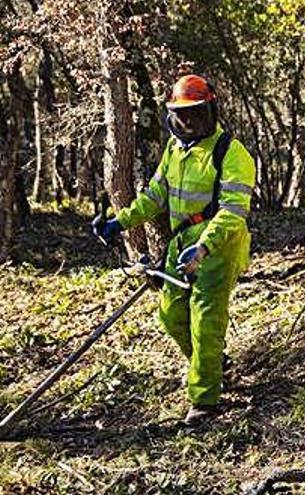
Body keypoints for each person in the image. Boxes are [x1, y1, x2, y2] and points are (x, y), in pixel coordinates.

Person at [92, 74, 255, 425]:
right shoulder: (174, 150)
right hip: (181, 242)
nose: (190, 121)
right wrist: (120, 222)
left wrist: (204, 247)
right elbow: (155, 196)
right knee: (170, 314)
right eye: (183, 114)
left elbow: (233, 212)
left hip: (219, 245)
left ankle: (205, 400)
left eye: (196, 113)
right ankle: (212, 364)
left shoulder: (231, 152)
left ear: (210, 109)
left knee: (205, 322)